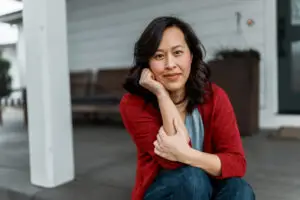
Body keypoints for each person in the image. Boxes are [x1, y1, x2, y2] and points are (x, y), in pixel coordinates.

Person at [119, 16, 255, 200]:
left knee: (240, 190)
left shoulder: (215, 97)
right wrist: (161, 94)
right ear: (148, 65)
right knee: (192, 179)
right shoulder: (133, 105)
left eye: (177, 53)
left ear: (190, 56)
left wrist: (187, 154)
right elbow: (171, 161)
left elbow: (237, 163)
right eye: (159, 56)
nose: (170, 65)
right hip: (165, 190)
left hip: (206, 184)